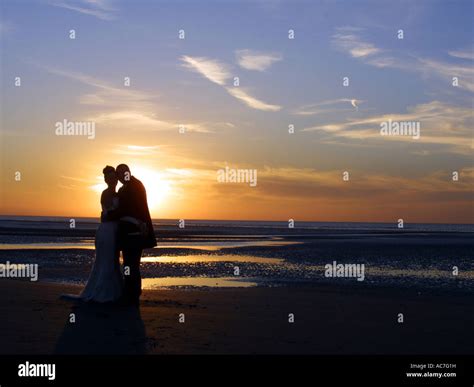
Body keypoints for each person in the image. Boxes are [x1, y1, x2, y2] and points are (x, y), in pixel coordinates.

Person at [104, 164, 157, 306]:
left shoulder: (135, 186)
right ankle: (131, 293)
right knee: (130, 264)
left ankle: (131, 295)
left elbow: (126, 209)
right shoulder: (125, 187)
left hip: (135, 233)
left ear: (128, 172)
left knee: (131, 265)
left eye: (123, 173)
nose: (121, 177)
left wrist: (109, 216)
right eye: (119, 174)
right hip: (127, 233)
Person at [79, 166, 123, 302]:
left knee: (113, 260)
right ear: (106, 180)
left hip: (114, 229)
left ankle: (115, 291)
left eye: (114, 177)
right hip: (107, 230)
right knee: (106, 260)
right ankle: (104, 292)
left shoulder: (118, 194)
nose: (113, 180)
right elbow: (108, 214)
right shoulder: (106, 194)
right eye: (110, 178)